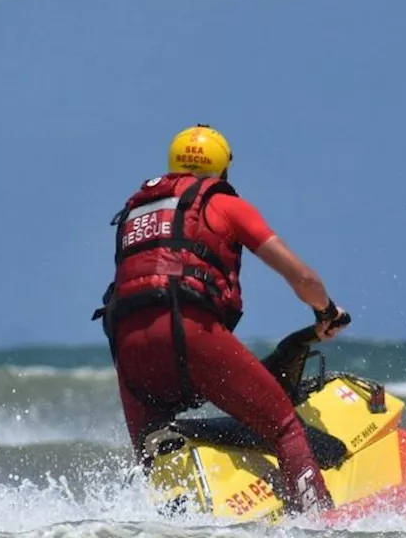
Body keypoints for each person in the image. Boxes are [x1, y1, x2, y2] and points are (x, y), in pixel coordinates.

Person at [94, 124, 351, 514]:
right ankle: (321, 523)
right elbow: (303, 277)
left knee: (154, 454)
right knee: (283, 427)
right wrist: (327, 311)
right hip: (187, 328)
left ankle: (157, 534)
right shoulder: (225, 204)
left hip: (129, 346)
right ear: (224, 170)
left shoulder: (136, 212)